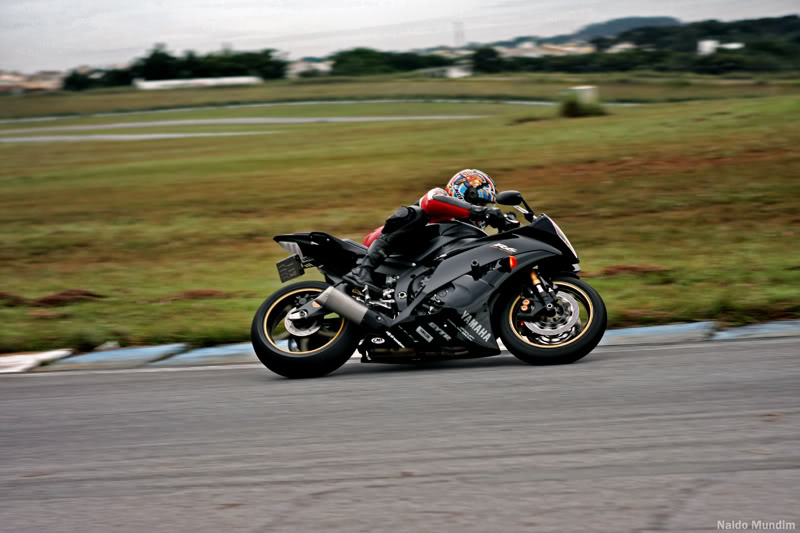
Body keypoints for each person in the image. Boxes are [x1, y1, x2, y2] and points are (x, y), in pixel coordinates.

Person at [343, 169, 505, 291]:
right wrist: (480, 212)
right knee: (415, 213)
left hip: (413, 263)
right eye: (480, 203)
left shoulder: (463, 232)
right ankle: (362, 270)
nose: (482, 208)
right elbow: (431, 202)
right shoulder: (439, 196)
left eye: (484, 206)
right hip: (383, 246)